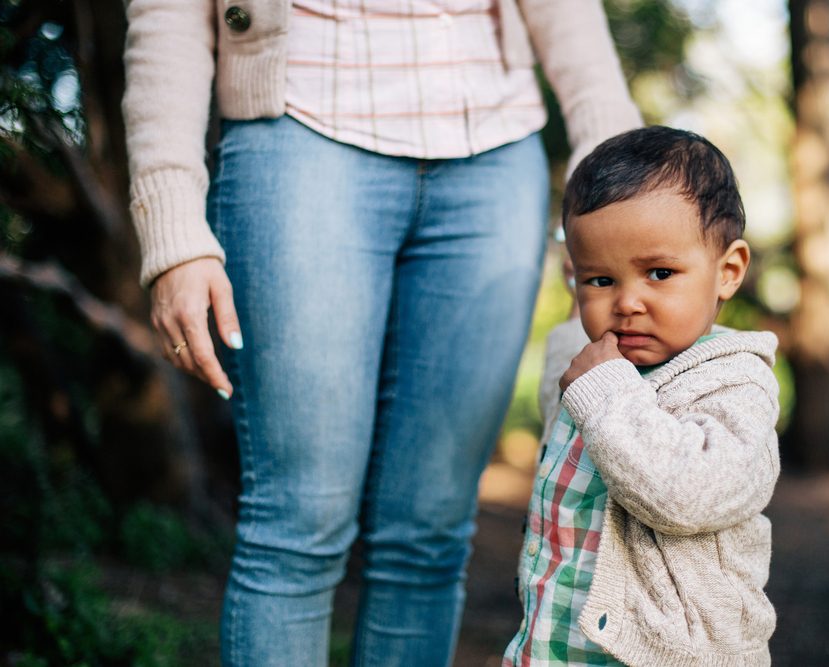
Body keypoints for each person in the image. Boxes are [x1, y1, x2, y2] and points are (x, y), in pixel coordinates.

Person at [120, 1, 641, 665]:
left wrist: (619, 195)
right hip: (298, 129)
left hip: (495, 152)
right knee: (298, 524)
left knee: (429, 535)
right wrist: (173, 230)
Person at [504, 126, 781, 666]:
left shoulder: (735, 381)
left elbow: (690, 495)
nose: (627, 301)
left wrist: (605, 390)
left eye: (660, 273)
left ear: (728, 272)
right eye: (600, 280)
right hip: (556, 646)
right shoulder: (588, 362)